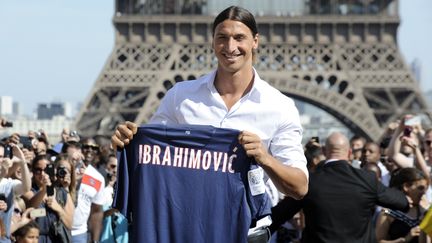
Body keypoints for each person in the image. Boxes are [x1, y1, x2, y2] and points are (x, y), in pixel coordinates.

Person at [111, 5, 308, 200]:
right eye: (222, 38)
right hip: (187, 226)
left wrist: (265, 158)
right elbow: (149, 156)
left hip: (246, 229)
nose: (230, 47)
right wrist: (127, 143)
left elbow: (299, 187)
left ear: (255, 41)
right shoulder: (180, 97)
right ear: (212, 42)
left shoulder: (280, 107)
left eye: (239, 38)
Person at [269, 132, 409, 243]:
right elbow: (401, 202)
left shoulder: (309, 181)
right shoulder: (367, 179)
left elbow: (278, 216)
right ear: (349, 153)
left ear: (324, 151)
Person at [376, 168, 429, 243]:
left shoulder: (424, 210)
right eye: (420, 188)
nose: (424, 192)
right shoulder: (387, 211)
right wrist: (404, 240)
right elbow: (378, 241)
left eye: (425, 189)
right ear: (406, 187)